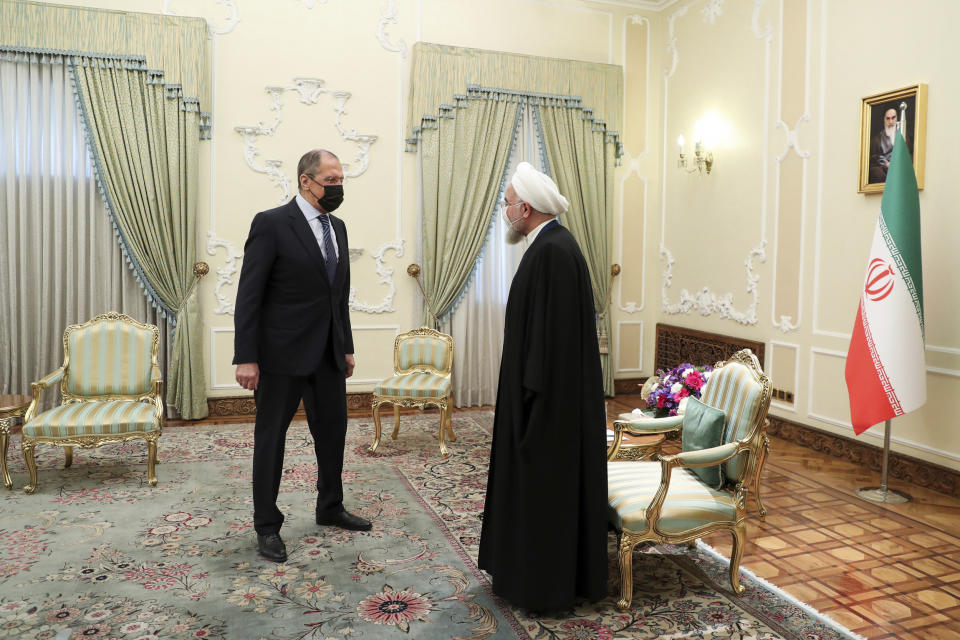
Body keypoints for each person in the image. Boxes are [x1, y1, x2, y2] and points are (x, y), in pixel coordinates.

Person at [478, 162, 608, 612]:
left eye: (508, 203)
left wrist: (529, 405)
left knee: (543, 494)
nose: (506, 210)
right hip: (543, 398)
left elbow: (549, 344)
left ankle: (543, 586)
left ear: (526, 208)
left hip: (547, 406)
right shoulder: (548, 245)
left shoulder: (552, 251)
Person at [234, 148, 371, 564]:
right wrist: (246, 356)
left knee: (333, 435)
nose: (337, 187)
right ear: (305, 181)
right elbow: (249, 294)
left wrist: (345, 346)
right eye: (330, 181)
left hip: (328, 354)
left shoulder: (340, 227)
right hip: (280, 357)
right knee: (270, 441)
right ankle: (267, 525)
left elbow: (338, 296)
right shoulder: (272, 224)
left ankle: (330, 506)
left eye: (340, 179)